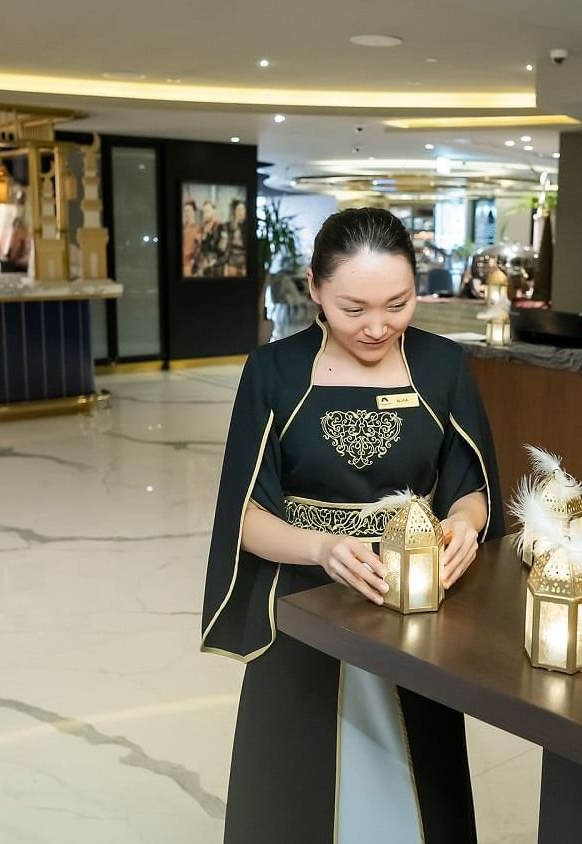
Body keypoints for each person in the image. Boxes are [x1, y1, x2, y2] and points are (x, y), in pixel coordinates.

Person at [202, 207, 503, 843]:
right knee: (296, 779)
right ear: (313, 288)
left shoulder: (443, 365)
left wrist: (465, 528)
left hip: (414, 599)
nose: (376, 328)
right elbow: (248, 517)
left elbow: (470, 485)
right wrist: (323, 547)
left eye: (398, 304)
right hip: (307, 601)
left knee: (422, 767)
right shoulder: (274, 372)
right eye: (352, 308)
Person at [181, 200, 201, 277]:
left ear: (193, 212)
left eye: (188, 210)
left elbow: (198, 247)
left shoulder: (199, 228)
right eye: (185, 211)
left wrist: (193, 262)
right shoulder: (182, 227)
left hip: (190, 265)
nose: (186, 213)